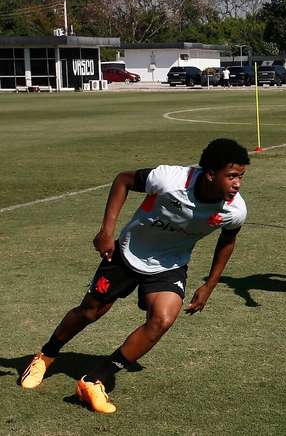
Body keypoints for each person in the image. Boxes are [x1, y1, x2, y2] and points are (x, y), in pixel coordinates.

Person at [19, 139, 250, 413]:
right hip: (127, 255)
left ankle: (95, 379)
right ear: (211, 174)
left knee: (162, 319)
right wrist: (106, 231)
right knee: (90, 312)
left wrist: (209, 285)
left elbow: (227, 242)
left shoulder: (234, 210)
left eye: (241, 177)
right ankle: (46, 356)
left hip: (169, 265)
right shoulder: (170, 179)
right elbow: (123, 180)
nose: (237, 184)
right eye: (232, 176)